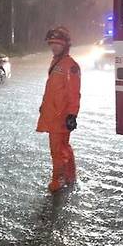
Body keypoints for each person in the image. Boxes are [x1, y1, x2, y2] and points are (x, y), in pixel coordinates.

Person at [37, 26, 81, 192]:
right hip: (53, 114)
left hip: (61, 116)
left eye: (58, 44)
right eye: (52, 44)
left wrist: (72, 115)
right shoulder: (57, 62)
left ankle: (58, 180)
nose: (54, 47)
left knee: (57, 150)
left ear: (65, 45)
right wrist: (44, 105)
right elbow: (52, 89)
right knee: (63, 147)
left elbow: (74, 93)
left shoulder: (70, 66)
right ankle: (70, 175)